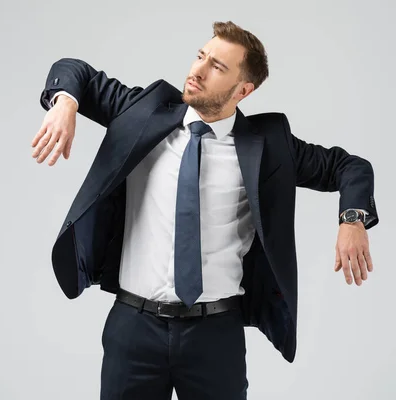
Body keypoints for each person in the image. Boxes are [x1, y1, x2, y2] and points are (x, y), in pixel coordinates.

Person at [31, 20, 378, 399]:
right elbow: (72, 69)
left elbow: (350, 167)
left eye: (217, 67)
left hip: (215, 335)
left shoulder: (267, 147)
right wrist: (65, 103)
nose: (197, 70)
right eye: (201, 55)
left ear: (243, 89)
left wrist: (352, 219)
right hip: (132, 327)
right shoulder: (142, 112)